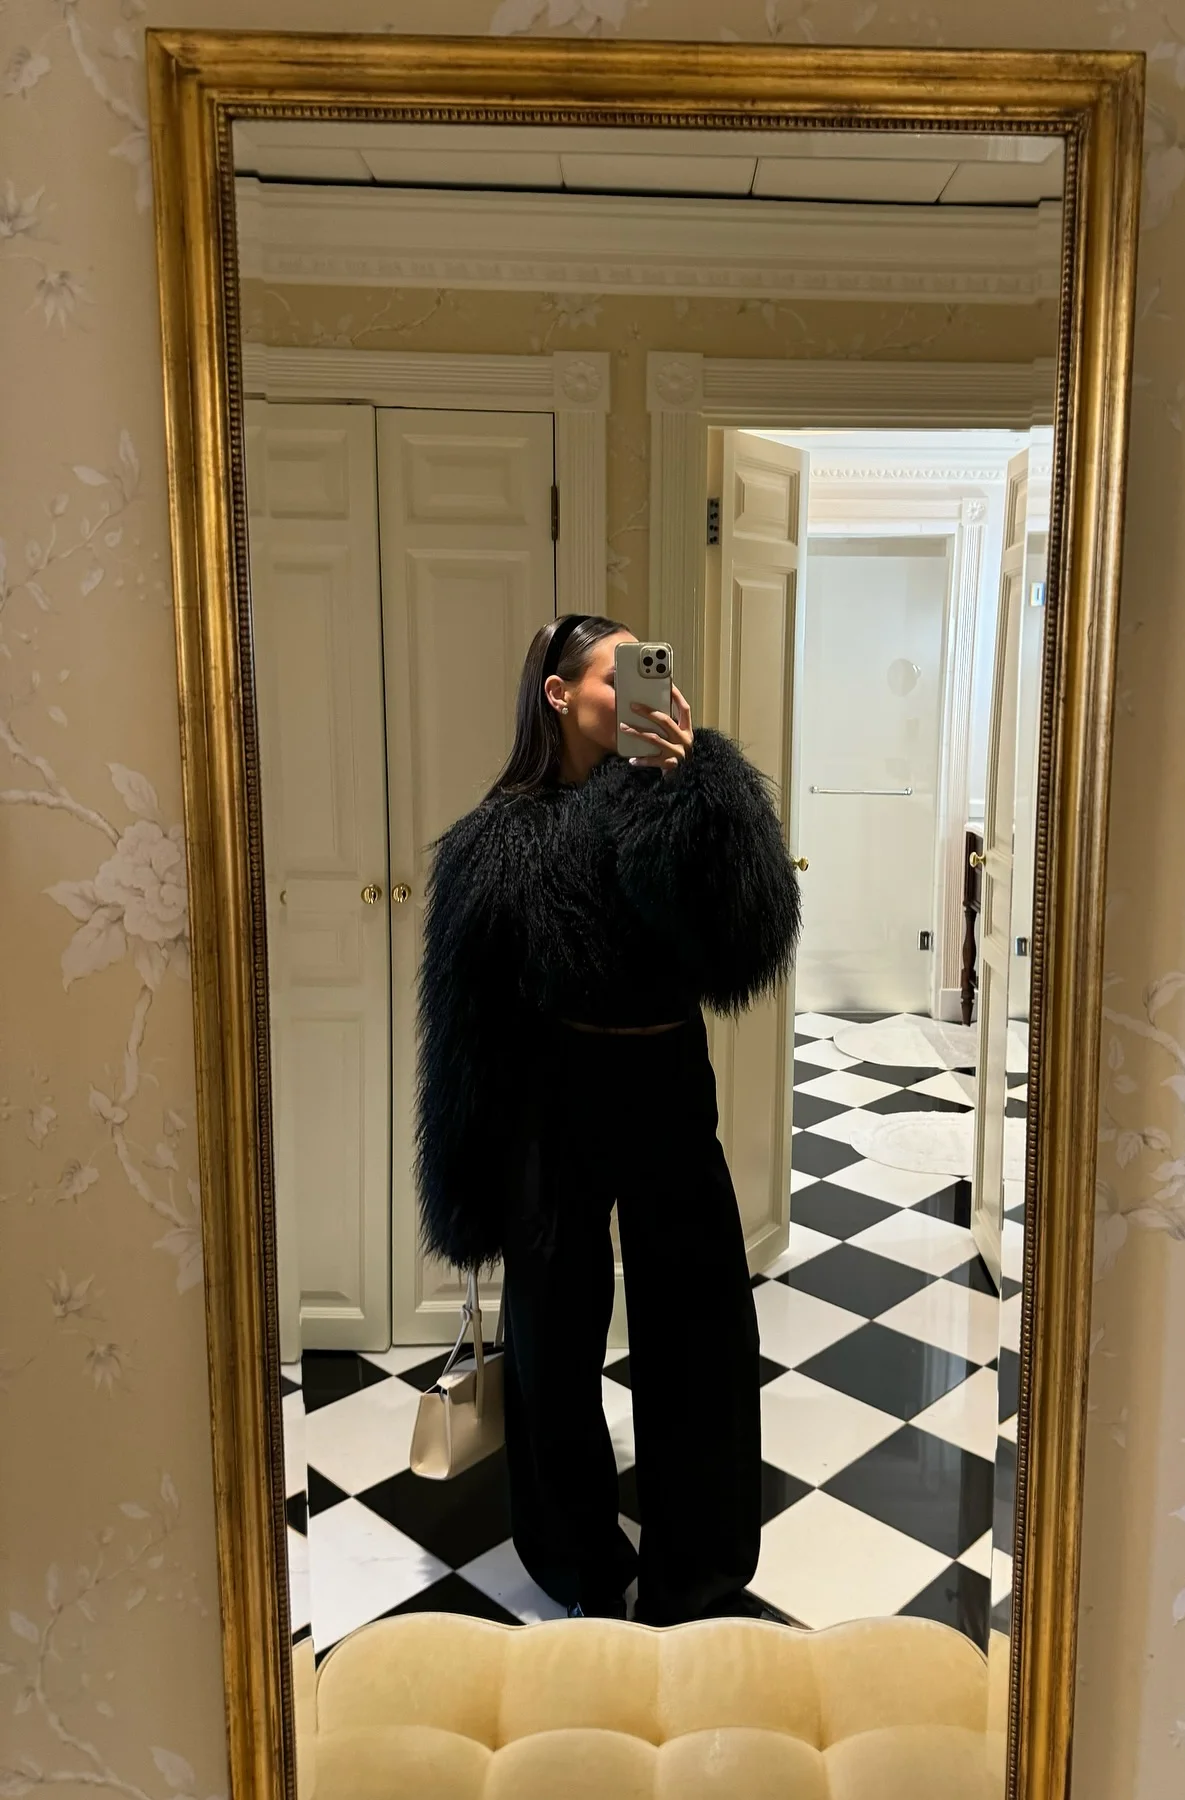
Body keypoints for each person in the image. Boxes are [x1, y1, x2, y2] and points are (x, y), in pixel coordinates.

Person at [414, 612, 801, 1626]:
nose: (639, 686)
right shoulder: (498, 839)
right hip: (553, 1095)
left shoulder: (683, 797)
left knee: (701, 1324)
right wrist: (470, 1173)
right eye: (615, 672)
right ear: (559, 693)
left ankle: (697, 1565)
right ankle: (576, 1554)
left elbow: (745, 945)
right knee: (552, 1337)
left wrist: (700, 792)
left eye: (647, 667)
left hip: (670, 1080)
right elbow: (466, 1027)